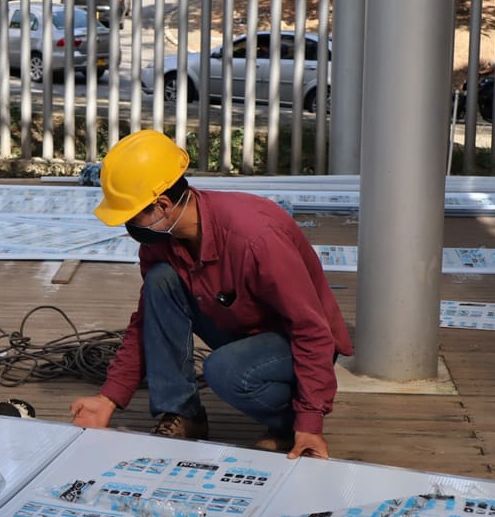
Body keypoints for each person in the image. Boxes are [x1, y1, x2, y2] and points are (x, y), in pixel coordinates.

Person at [69, 130, 352, 459]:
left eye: (131, 217)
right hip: (241, 327)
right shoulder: (161, 241)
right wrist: (109, 398)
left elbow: (311, 330)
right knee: (161, 282)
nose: (128, 227)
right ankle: (183, 413)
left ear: (162, 205)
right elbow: (149, 320)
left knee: (225, 370)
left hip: (292, 339)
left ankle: (289, 424)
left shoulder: (256, 238)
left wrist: (310, 421)